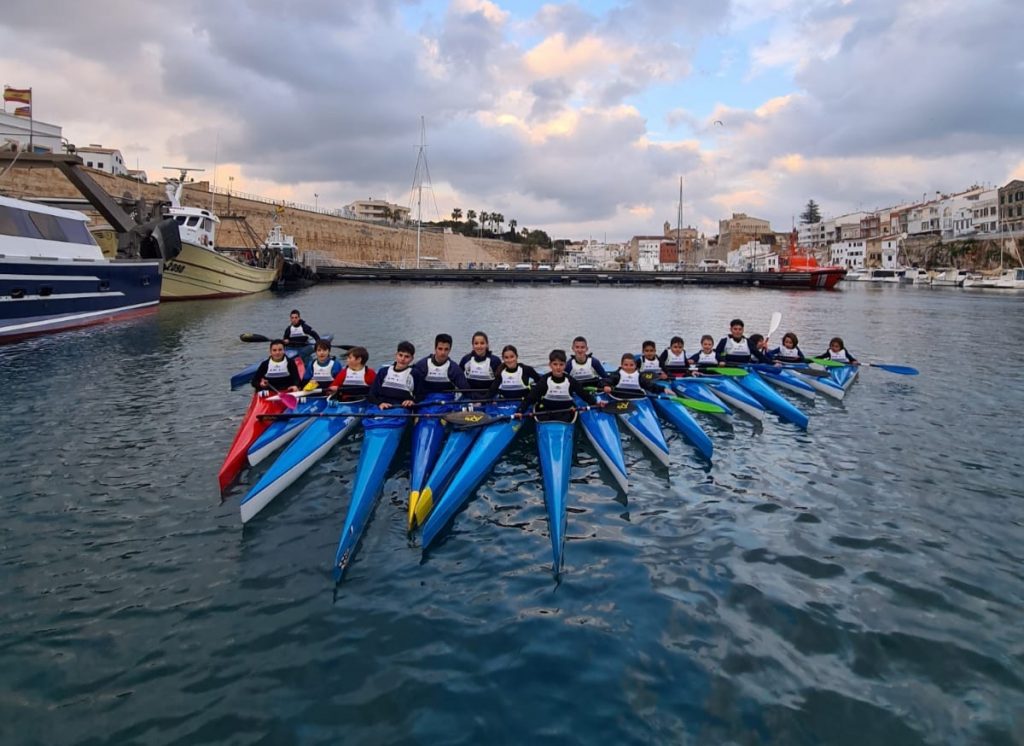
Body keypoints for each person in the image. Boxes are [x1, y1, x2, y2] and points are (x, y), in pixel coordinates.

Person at [522, 349, 602, 422]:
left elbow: (584, 394)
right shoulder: (544, 380)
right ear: (550, 365)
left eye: (561, 364)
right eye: (555, 364)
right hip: (546, 413)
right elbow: (530, 397)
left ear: (565, 365)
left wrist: (596, 403)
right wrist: (520, 411)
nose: (558, 367)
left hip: (566, 413)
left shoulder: (571, 380)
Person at [368, 341, 422, 409]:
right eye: (400, 355)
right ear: (396, 355)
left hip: (402, 408)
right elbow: (372, 394)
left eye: (407, 357)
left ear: (412, 359)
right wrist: (379, 403)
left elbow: (420, 395)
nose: (402, 359)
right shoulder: (383, 372)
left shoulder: (415, 374)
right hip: (382, 407)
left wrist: (412, 401)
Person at [459, 331, 502, 400]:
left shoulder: (495, 361)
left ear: (487, 345)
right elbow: (459, 379)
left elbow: (498, 382)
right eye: (476, 343)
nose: (479, 346)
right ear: (473, 345)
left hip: (490, 396)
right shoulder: (466, 359)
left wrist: (484, 398)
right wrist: (472, 397)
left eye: (482, 343)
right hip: (470, 395)